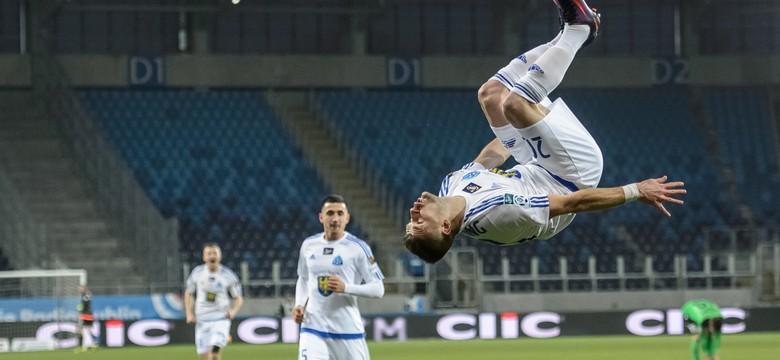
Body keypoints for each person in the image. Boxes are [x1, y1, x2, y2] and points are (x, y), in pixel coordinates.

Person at [404, 0, 687, 263]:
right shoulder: (499, 215)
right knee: (515, 104)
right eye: (419, 221)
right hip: (572, 176)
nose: (414, 212)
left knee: (491, 95)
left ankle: (567, 35)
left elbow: (490, 157)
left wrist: (517, 133)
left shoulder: (449, 187)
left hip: (535, 165)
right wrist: (636, 190)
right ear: (444, 226)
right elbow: (571, 203)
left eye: (411, 219)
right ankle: (579, 30)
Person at [292, 195, 385, 360]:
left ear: (347, 217)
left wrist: (346, 288)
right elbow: (304, 278)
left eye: (340, 213)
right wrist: (299, 304)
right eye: (330, 213)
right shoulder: (308, 245)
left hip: (347, 331)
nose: (335, 218)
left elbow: (378, 289)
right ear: (321, 217)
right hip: (313, 328)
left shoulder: (358, 248)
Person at [185, 243, 244, 360]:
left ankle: (219, 342)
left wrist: (233, 312)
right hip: (202, 319)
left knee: (214, 353)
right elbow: (188, 293)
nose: (212, 256)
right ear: (204, 257)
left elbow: (238, 298)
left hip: (220, 319)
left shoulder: (228, 275)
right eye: (209, 253)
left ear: (220, 256)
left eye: (215, 253)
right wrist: (189, 313)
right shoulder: (197, 273)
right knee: (204, 357)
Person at [75, 284, 98, 352]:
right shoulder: (88, 294)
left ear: (83, 288)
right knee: (88, 330)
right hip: (89, 314)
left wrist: (81, 309)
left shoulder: (84, 295)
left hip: (85, 314)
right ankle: (94, 344)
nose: (79, 289)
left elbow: (85, 304)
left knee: (79, 329)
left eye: (80, 288)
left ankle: (80, 347)